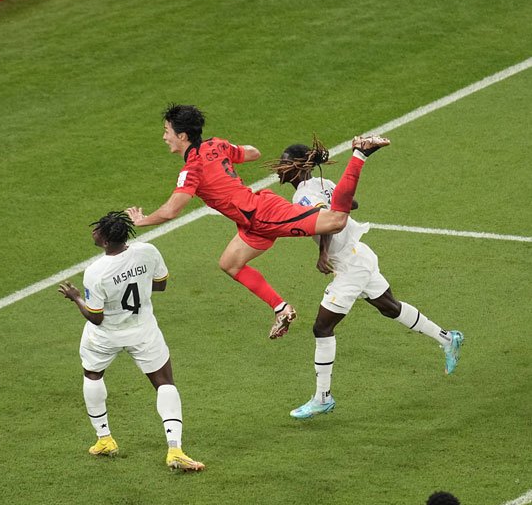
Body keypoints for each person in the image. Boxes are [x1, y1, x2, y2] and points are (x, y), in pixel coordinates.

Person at [126, 104, 389, 340]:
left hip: (264, 214)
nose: (164, 136)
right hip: (252, 221)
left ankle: (359, 154)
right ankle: (282, 308)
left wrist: (142, 220)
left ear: (182, 136)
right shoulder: (215, 145)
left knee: (336, 221)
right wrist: (226, 158)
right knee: (230, 263)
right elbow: (252, 153)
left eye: (167, 131)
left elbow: (172, 210)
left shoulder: (191, 169)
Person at [272, 140, 465, 419]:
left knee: (322, 327)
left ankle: (322, 397)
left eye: (285, 162)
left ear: (299, 166)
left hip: (350, 264)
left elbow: (326, 217)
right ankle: (448, 339)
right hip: (358, 253)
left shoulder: (303, 195)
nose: (280, 167)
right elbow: (351, 203)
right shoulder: (322, 185)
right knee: (390, 307)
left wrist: (322, 254)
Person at [58, 211, 204, 472]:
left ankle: (105, 440)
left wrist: (75, 297)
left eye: (97, 229)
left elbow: (95, 316)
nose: (94, 231)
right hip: (142, 329)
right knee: (164, 383)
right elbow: (160, 285)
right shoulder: (148, 251)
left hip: (105, 335)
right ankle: (175, 449)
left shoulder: (96, 272)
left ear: (104, 241)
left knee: (92, 374)